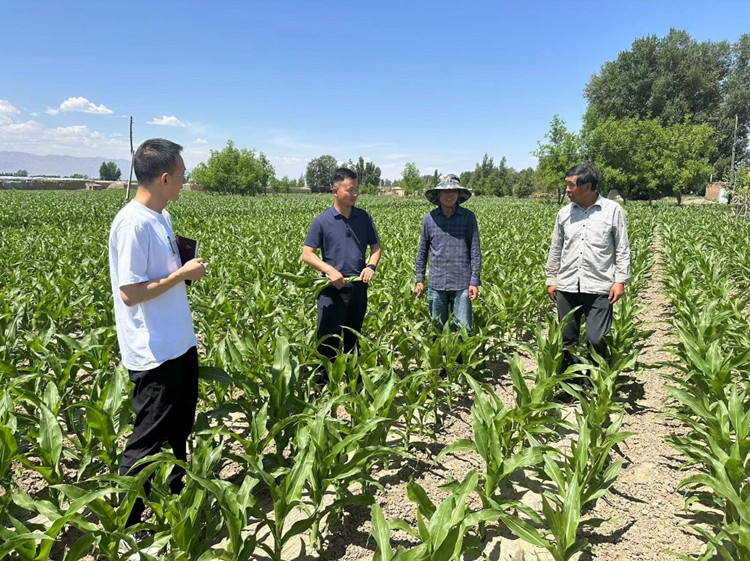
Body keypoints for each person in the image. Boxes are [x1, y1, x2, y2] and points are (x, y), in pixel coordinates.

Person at [108, 138, 208, 527]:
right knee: (146, 441)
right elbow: (131, 293)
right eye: (182, 176)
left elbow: (159, 276)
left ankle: (178, 498)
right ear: (164, 178)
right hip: (153, 352)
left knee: (180, 428)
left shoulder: (161, 217)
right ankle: (127, 526)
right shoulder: (132, 223)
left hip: (179, 343)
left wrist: (182, 268)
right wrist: (181, 274)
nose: (184, 182)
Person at [545, 163, 630, 371]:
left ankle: (597, 380)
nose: (566, 190)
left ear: (588, 185)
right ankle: (572, 384)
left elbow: (622, 247)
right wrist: (551, 279)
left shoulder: (612, 211)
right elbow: (556, 248)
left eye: (570, 185)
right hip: (567, 285)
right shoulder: (564, 214)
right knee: (567, 339)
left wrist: (620, 281)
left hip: (599, 285)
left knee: (596, 338)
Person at [302, 167, 381, 380]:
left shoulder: (363, 218)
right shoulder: (322, 221)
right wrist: (328, 270)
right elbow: (307, 254)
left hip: (357, 287)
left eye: (356, 190)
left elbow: (376, 247)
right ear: (335, 191)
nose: (355, 194)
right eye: (350, 190)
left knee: (353, 336)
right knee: (327, 337)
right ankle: (323, 382)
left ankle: (351, 378)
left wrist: (370, 266)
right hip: (331, 289)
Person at [415, 174, 481, 332]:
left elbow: (475, 250)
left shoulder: (468, 217)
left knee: (464, 328)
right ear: (438, 195)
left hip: (462, 283)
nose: (449, 194)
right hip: (437, 282)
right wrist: (419, 279)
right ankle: (441, 357)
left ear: (459, 194)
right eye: (444, 191)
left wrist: (474, 281)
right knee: (437, 328)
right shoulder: (429, 219)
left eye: (453, 191)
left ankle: (461, 358)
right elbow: (423, 251)